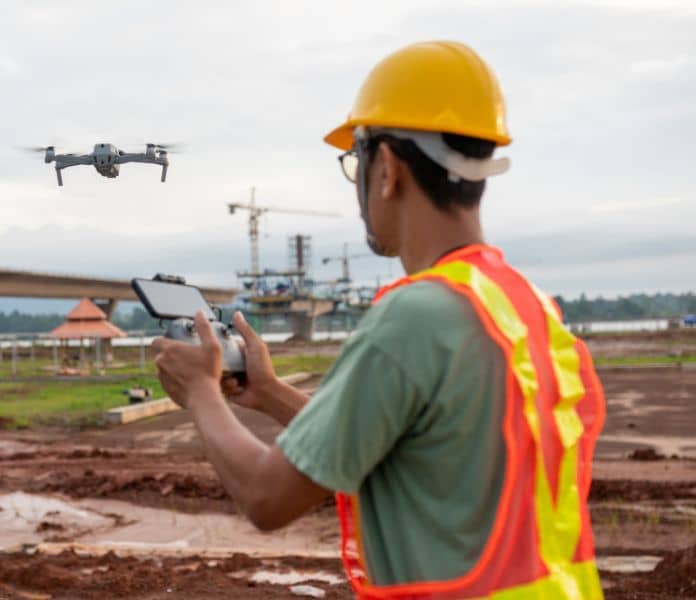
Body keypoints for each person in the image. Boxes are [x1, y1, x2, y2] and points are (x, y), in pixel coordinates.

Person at [152, 40, 606, 598]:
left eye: (356, 164)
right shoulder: (523, 307)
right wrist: (268, 392)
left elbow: (268, 497)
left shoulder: (415, 317)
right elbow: (397, 448)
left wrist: (201, 392)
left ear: (386, 168)